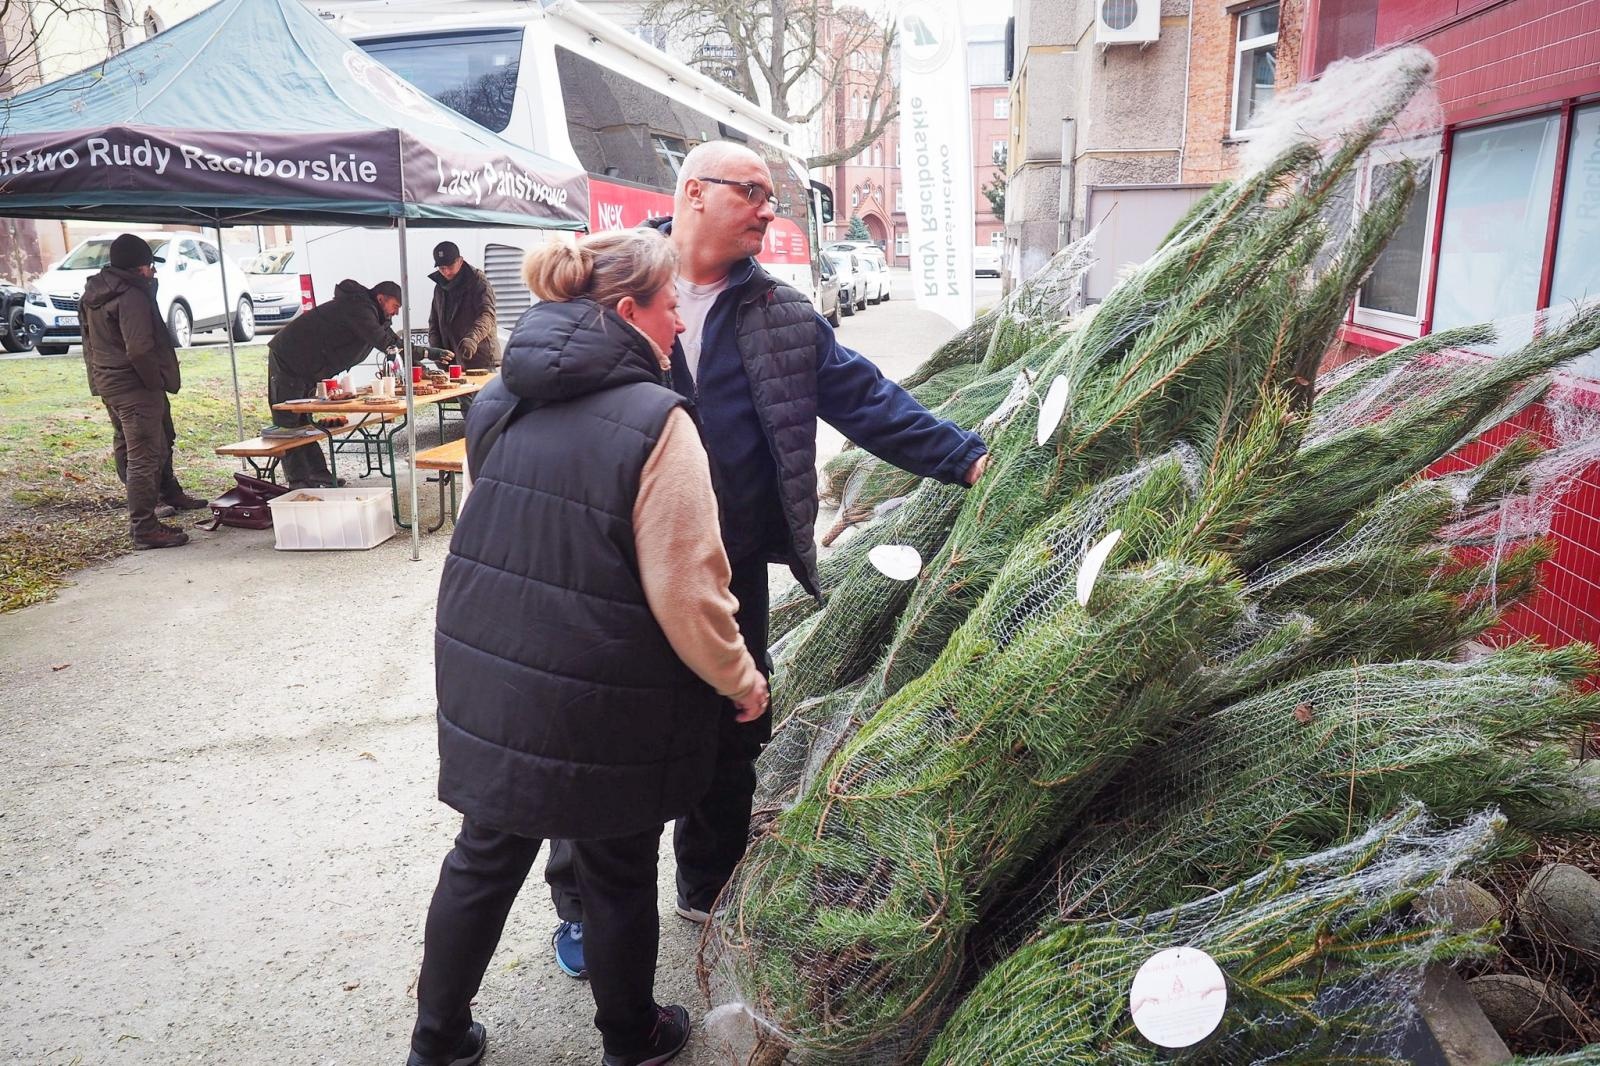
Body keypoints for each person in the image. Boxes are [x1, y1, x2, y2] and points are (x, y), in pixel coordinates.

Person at [545, 140, 990, 975]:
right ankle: (580, 904)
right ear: (695, 193)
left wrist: (966, 457)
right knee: (604, 737)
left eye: (770, 196)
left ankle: (707, 882)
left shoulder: (782, 315)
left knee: (732, 726)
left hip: (731, 560)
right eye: (751, 192)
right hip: (614, 568)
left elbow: (868, 399)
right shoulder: (612, 282)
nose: (767, 210)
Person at [407, 228, 770, 1066]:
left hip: (491, 660)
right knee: (614, 864)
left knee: (485, 853)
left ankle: (437, 1042)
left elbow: (512, 531)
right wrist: (741, 680)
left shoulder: (498, 397)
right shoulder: (658, 420)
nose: (681, 323)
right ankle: (631, 1038)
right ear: (628, 311)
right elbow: (690, 589)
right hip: (603, 685)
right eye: (672, 304)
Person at [79, 233, 208, 550]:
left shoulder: (95, 294)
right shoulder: (132, 296)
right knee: (143, 455)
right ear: (139, 268)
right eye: (150, 266)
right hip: (135, 385)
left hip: (112, 383)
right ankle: (145, 527)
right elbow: (139, 349)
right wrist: (154, 381)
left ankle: (168, 493)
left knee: (150, 440)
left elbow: (88, 344)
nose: (154, 272)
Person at [266, 278, 403, 488]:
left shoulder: (373, 314)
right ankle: (298, 481)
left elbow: (394, 342)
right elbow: (383, 341)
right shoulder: (359, 309)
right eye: (395, 307)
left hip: (308, 365)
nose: (395, 313)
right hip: (289, 358)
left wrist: (426, 355)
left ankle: (318, 473)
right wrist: (403, 352)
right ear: (381, 298)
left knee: (304, 420)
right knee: (289, 424)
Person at [427, 240, 499, 372]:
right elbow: (434, 323)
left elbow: (487, 315)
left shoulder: (478, 281)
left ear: (460, 261)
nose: (447, 272)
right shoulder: (439, 288)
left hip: (482, 360)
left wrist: (472, 339)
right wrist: (436, 349)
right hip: (454, 363)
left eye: (450, 266)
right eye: (442, 268)